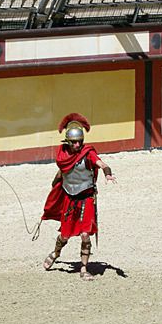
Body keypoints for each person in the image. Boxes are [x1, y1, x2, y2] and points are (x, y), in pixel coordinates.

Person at [40, 113, 116, 280]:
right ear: (67, 142)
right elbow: (61, 175)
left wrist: (108, 174)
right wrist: (54, 191)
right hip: (69, 199)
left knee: (85, 234)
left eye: (79, 141)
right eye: (74, 142)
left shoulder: (88, 153)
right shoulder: (63, 157)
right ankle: (56, 253)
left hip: (86, 198)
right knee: (65, 236)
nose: (77, 144)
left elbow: (102, 164)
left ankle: (84, 268)